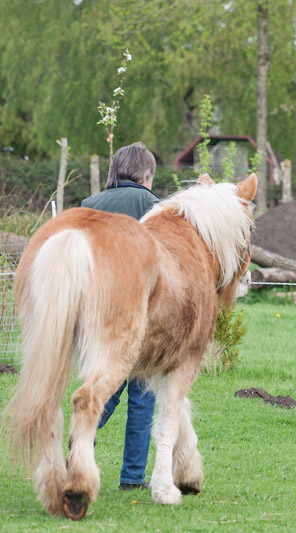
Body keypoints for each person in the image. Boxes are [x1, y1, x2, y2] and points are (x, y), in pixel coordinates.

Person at [81, 142, 160, 490]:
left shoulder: (89, 205)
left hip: (98, 311)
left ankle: (81, 440)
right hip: (141, 311)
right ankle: (132, 477)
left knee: (104, 386)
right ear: (146, 174)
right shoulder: (153, 206)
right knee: (142, 396)